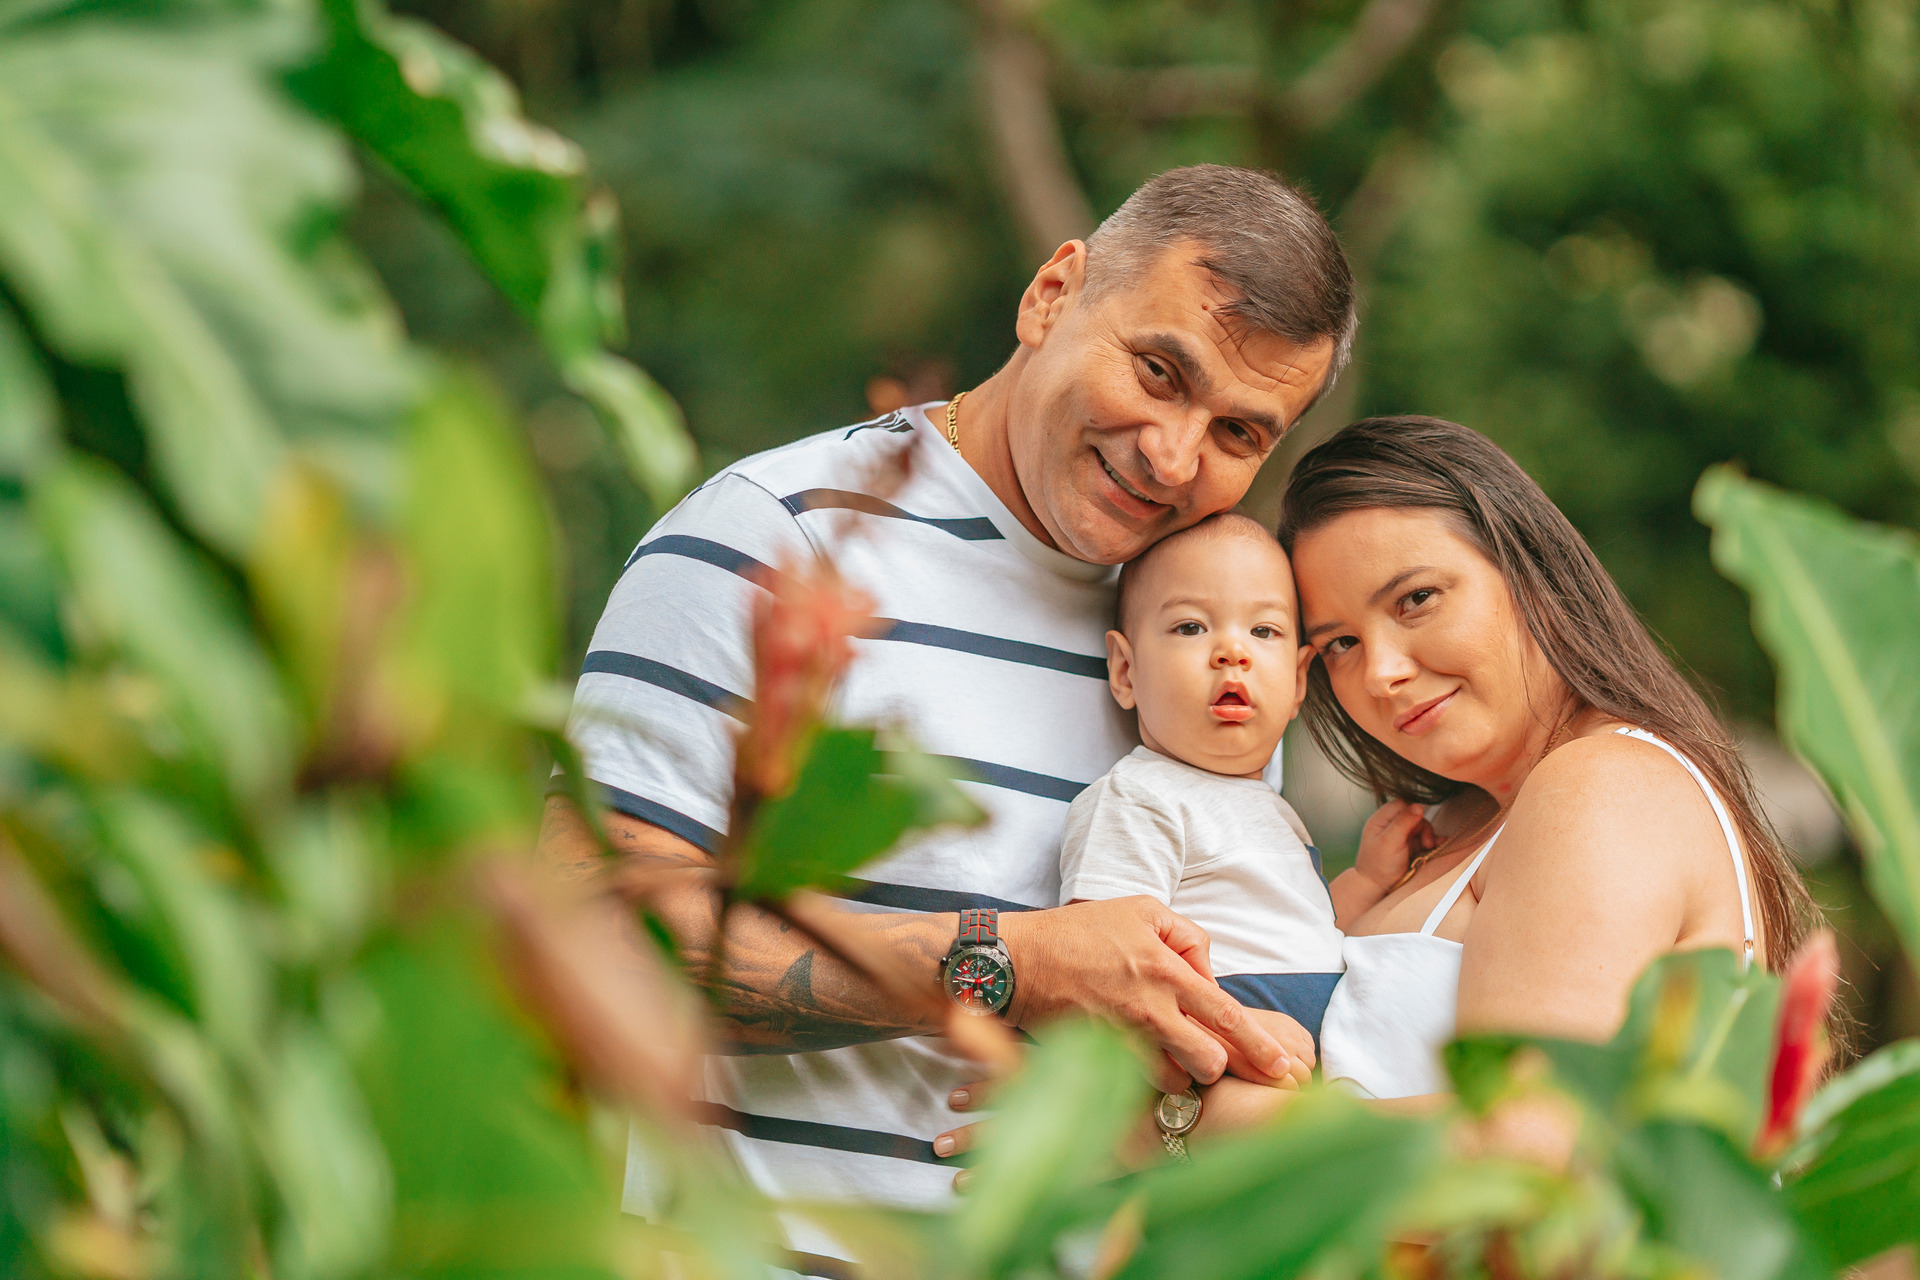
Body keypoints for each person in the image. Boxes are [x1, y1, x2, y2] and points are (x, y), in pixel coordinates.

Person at [537, 165, 1357, 1237]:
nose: (1172, 455)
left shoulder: (1216, 626)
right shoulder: (774, 540)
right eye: (1159, 371)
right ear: (1051, 296)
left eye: (1239, 433)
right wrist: (1003, 963)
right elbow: (578, 935)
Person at [1187, 416, 1825, 1132]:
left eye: (1416, 599)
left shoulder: (1602, 786)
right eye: (1339, 643)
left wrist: (1195, 1121)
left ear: (1530, 570)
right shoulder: (1447, 825)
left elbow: (1525, 1147)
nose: (1381, 672)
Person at [1058, 513, 1434, 1066]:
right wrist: (1227, 1027)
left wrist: (1369, 880)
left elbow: (1300, 932)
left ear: (1299, 680)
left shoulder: (1273, 809)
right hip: (1222, 1036)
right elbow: (1099, 966)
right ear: (1126, 671)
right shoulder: (1140, 796)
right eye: (1191, 627)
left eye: (1264, 631)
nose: (1233, 651)